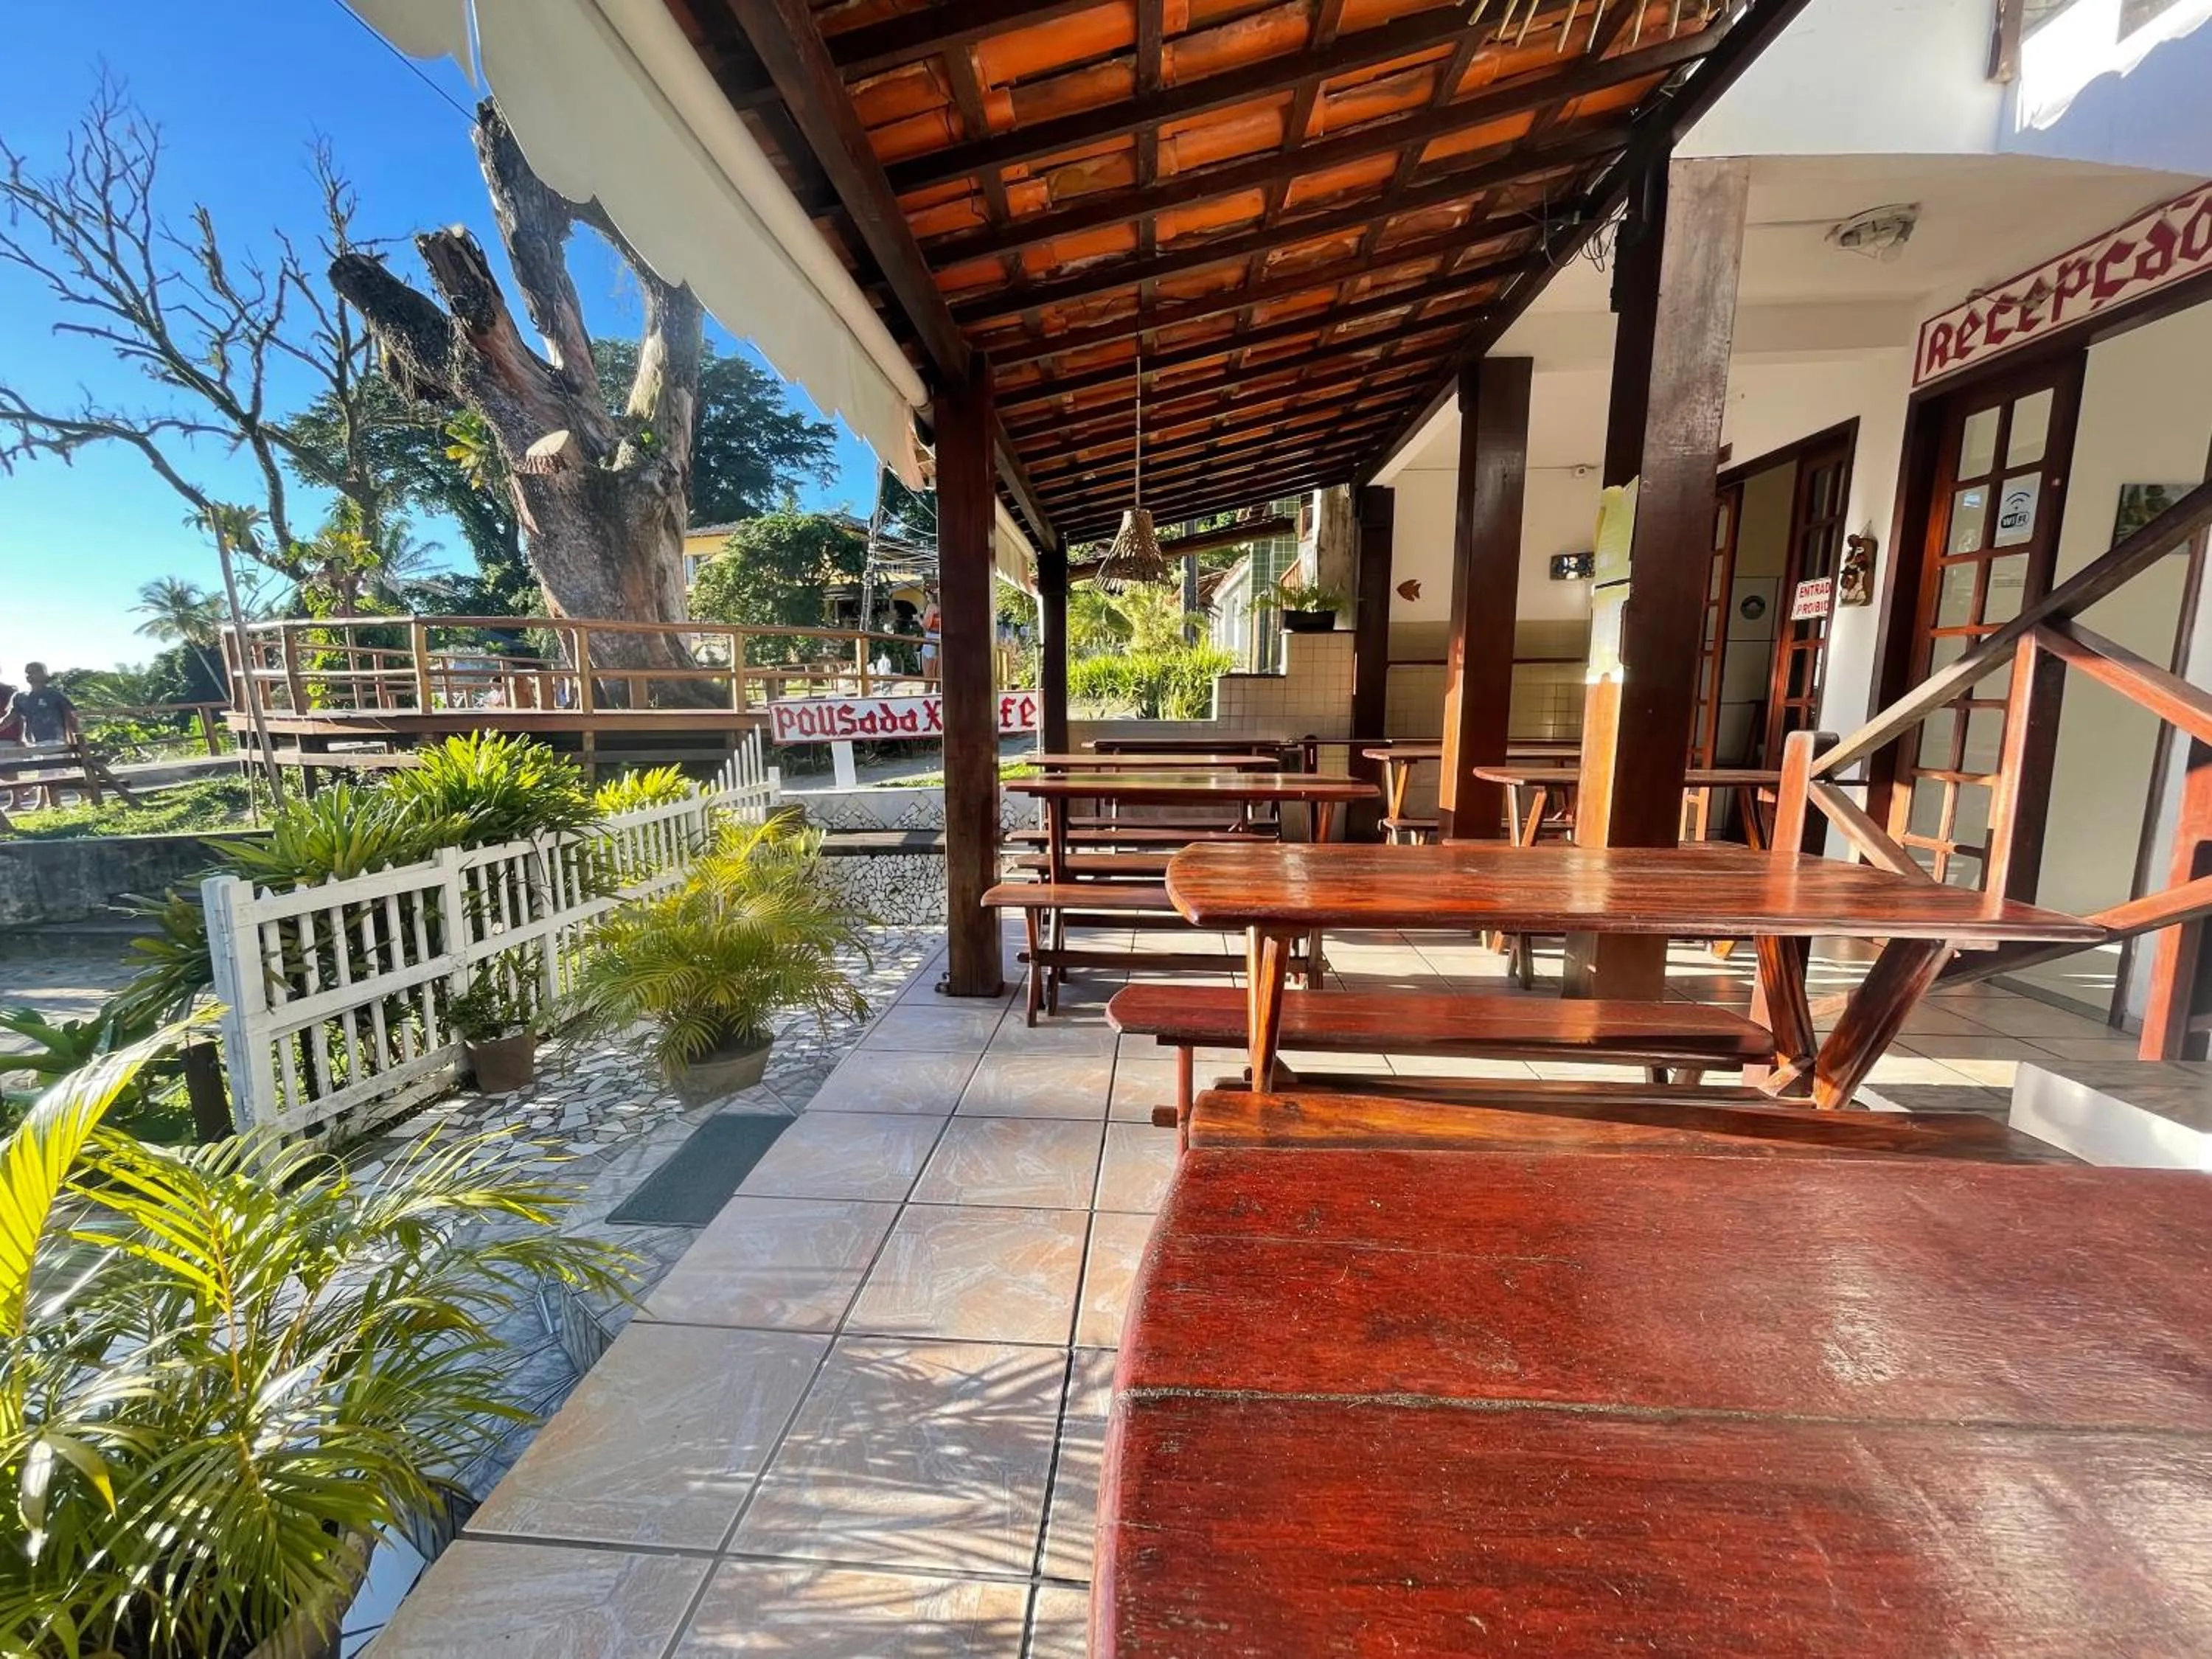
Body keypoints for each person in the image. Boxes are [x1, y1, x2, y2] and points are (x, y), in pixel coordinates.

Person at [7, 664, 80, 810]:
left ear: (44, 674)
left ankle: (50, 805)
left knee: (49, 772)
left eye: (34, 672)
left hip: (56, 739)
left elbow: (71, 716)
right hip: (35, 742)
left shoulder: (54, 695)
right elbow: (11, 717)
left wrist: (76, 738)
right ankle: (54, 803)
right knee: (53, 772)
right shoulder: (21, 697)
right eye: (27, 673)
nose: (30, 676)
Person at [919, 593, 943, 681]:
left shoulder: (932, 607)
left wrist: (919, 620)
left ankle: (928, 692)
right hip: (942, 638)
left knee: (929, 674)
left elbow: (926, 625)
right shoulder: (946, 605)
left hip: (931, 638)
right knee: (940, 674)